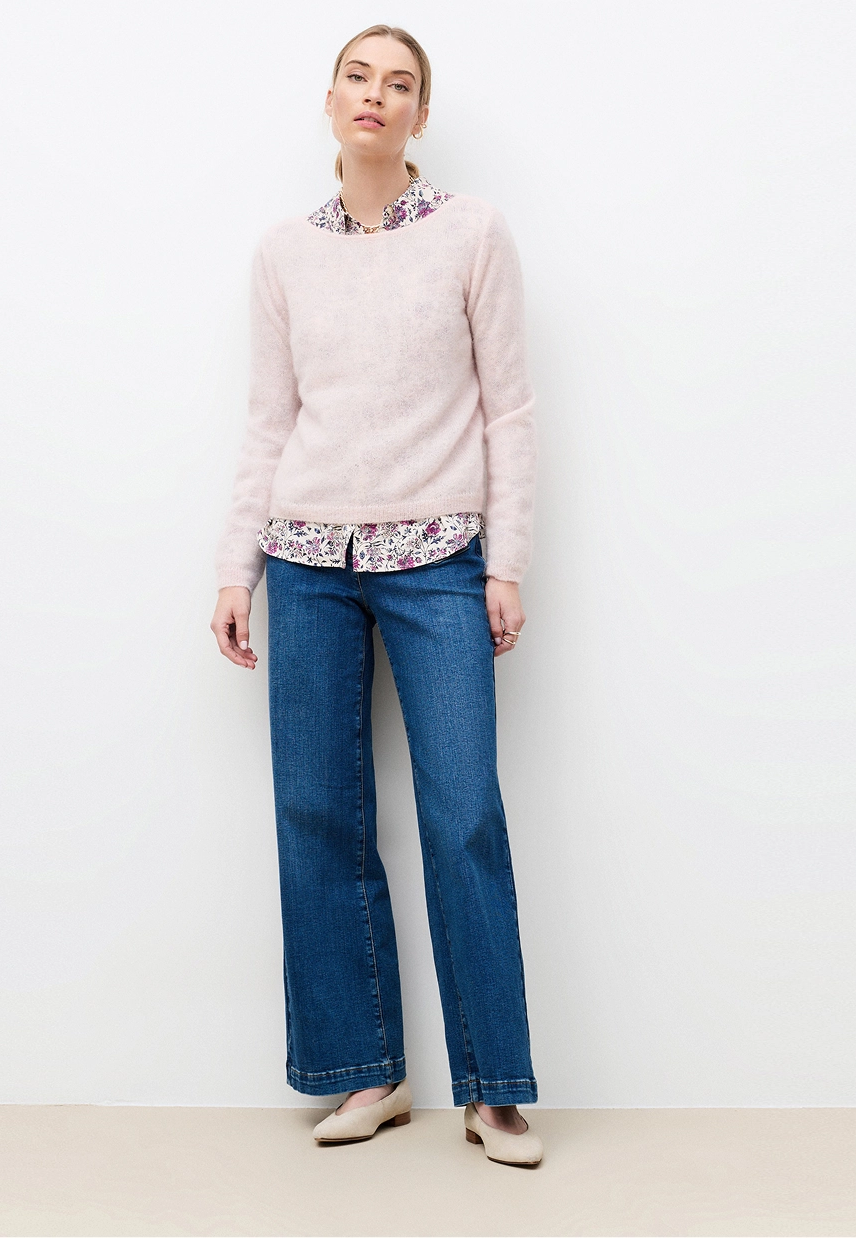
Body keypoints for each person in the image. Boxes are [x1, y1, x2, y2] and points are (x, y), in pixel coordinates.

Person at [210, 23, 543, 1168]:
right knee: (317, 813)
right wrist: (236, 565)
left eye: (400, 84)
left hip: (439, 556)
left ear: (419, 115)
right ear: (331, 99)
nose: (376, 95)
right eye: (359, 76)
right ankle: (369, 1072)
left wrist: (506, 561)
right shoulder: (283, 253)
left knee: (463, 812)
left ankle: (495, 1087)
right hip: (306, 560)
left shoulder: (471, 232)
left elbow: (509, 409)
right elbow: (269, 419)